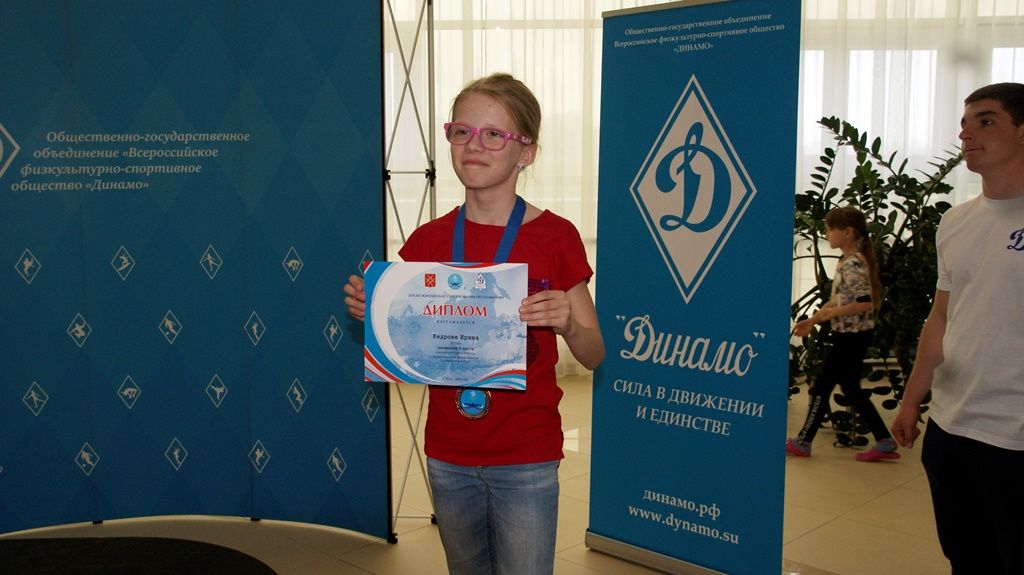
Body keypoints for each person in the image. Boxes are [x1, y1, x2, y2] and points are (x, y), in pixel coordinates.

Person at [344, 73, 605, 575]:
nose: (473, 145)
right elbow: (411, 339)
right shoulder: (428, 240)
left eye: (493, 134)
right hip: (448, 453)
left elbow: (594, 354)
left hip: (527, 453)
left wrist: (568, 323)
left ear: (527, 152)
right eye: (461, 131)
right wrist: (374, 312)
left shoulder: (555, 237)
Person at [891, 82, 1024, 575]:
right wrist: (912, 400)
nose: (966, 134)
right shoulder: (955, 221)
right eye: (964, 123)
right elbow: (941, 318)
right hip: (951, 426)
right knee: (966, 559)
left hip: (1014, 435)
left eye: (986, 121)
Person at [787, 206, 900, 462]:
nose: (826, 234)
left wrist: (828, 315)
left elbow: (864, 302)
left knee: (821, 386)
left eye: (830, 229)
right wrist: (814, 320)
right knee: (851, 388)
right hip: (852, 335)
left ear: (847, 232)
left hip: (851, 337)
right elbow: (839, 299)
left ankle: (803, 441)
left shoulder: (853, 263)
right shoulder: (849, 261)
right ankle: (884, 441)